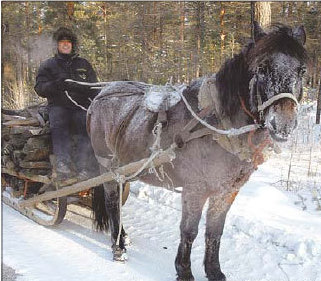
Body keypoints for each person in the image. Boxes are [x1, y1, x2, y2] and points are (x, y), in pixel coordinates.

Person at [34, 27, 98, 181]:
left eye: (68, 42)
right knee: (59, 124)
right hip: (58, 106)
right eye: (62, 42)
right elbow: (39, 88)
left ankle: (84, 167)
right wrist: (56, 85)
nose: (65, 45)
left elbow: (94, 87)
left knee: (87, 127)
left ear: (73, 45)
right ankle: (63, 163)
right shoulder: (48, 65)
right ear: (57, 45)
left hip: (81, 107)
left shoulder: (84, 64)